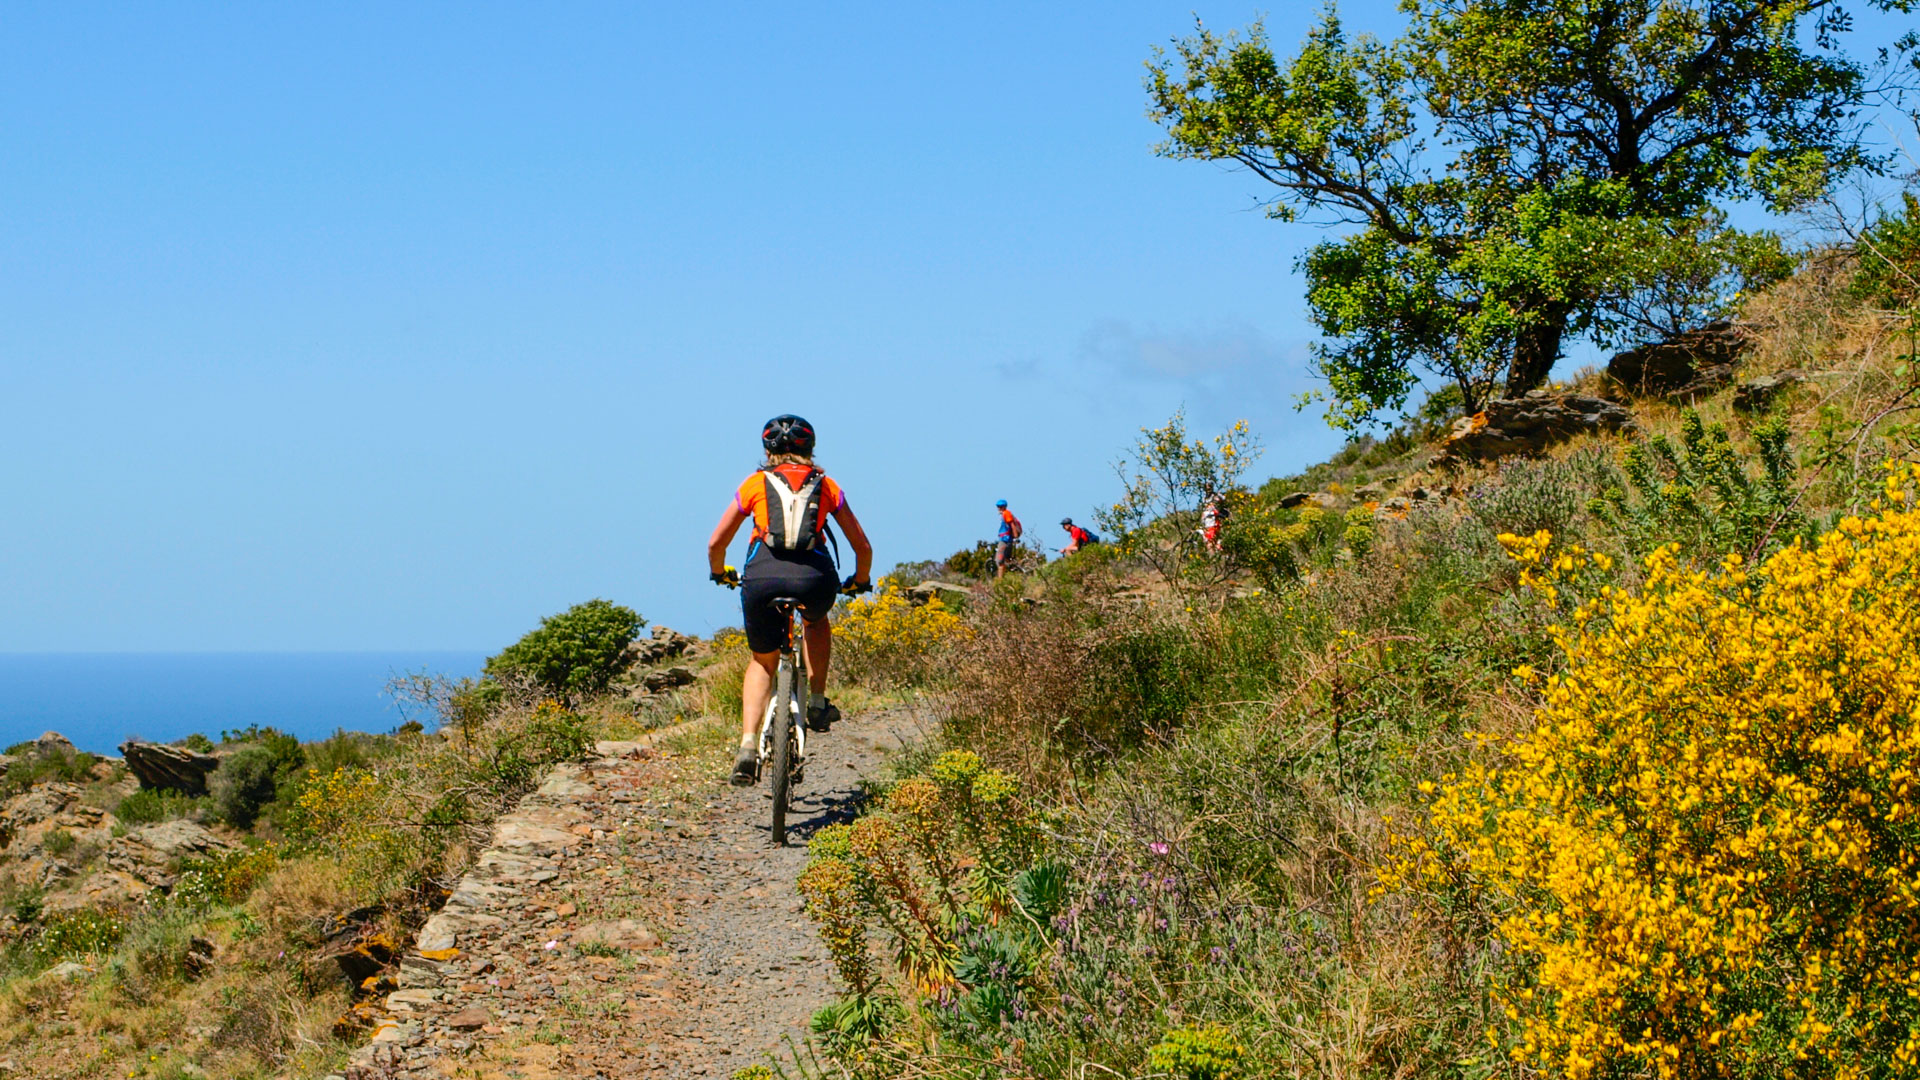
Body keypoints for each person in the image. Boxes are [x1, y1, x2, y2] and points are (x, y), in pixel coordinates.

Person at [707, 414, 873, 787]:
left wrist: (720, 572)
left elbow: (716, 543)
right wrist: (860, 580)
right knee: (814, 621)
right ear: (810, 449)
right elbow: (862, 546)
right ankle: (816, 702)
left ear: (768, 450)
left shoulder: (754, 484)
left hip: (762, 578)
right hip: (814, 579)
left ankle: (748, 746)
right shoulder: (826, 485)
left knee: (762, 663)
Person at [993, 499, 1022, 577]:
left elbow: (1012, 525)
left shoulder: (1006, 514)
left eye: (1000, 506)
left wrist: (1015, 536)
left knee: (1000, 561)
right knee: (1007, 560)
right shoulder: (1004, 514)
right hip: (1007, 539)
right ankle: (1009, 575)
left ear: (1004, 507)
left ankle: (1000, 581)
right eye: (998, 506)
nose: (998, 508)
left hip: (1005, 540)